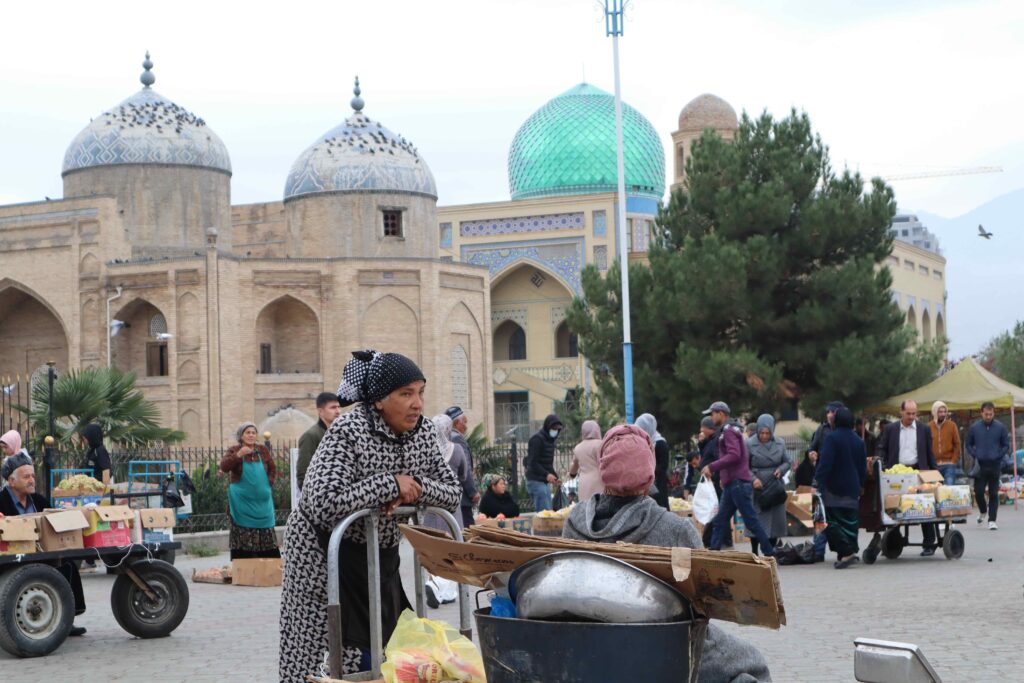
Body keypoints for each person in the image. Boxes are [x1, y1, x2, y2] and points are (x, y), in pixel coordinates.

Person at [278, 350, 461, 681]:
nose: (417, 404)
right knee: (319, 646)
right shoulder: (349, 430)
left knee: (384, 646)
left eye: (420, 392)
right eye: (406, 394)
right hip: (322, 553)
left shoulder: (423, 433)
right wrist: (388, 486)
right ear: (379, 400)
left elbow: (452, 492)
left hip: (378, 555)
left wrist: (413, 488)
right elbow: (323, 501)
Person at [563, 424, 772, 683]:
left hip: (590, 646)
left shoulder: (573, 524)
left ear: (604, 472)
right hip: (665, 648)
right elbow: (703, 605)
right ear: (649, 478)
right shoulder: (675, 530)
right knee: (755, 668)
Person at [1, 453, 88, 636]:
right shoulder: (2, 501)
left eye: (32, 476)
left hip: (41, 555)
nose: (32, 480)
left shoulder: (39, 500)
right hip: (11, 558)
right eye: (26, 477)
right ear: (11, 481)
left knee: (67, 566)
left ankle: (66, 619)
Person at [701, 402, 775, 556]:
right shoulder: (732, 430)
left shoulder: (728, 431)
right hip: (733, 483)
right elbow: (739, 456)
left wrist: (712, 467)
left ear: (721, 414)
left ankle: (769, 552)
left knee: (751, 520)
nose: (711, 417)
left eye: (713, 413)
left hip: (737, 484)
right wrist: (724, 477)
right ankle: (713, 553)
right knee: (721, 520)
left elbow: (734, 455)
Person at [878, 400, 939, 555]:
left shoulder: (923, 429)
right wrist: (883, 467)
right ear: (901, 412)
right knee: (897, 507)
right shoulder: (891, 429)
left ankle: (929, 543)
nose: (912, 417)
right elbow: (882, 449)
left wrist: (935, 474)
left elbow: (929, 452)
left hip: (918, 471)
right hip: (897, 472)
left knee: (924, 505)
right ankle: (893, 541)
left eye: (914, 413)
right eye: (909, 413)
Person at [422, 414, 470, 609]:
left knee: (432, 547)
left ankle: (440, 588)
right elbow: (464, 475)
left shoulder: (424, 451)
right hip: (451, 506)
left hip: (430, 507)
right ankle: (442, 586)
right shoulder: (456, 450)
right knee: (451, 546)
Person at [814, 407, 867, 569]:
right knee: (850, 521)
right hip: (852, 487)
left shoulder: (832, 438)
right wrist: (861, 485)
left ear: (836, 421)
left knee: (829, 522)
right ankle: (845, 554)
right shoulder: (858, 441)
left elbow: (825, 463)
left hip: (833, 488)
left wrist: (817, 482)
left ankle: (847, 551)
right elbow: (862, 466)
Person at [220, 422, 280, 560]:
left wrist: (268, 484)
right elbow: (224, 467)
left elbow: (272, 468)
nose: (251, 435)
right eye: (248, 432)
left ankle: (268, 566)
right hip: (242, 503)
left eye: (253, 432)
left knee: (266, 531)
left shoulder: (263, 450)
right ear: (241, 436)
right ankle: (244, 568)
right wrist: (238, 455)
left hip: (262, 503)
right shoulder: (234, 450)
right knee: (243, 531)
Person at [746, 414, 791, 555]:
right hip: (758, 486)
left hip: (775, 486)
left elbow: (787, 462)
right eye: (762, 433)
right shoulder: (749, 443)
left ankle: (770, 552)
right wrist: (753, 479)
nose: (764, 436)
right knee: (757, 520)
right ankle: (754, 551)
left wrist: (781, 470)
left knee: (775, 522)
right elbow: (744, 467)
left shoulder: (780, 443)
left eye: (767, 433)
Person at [966, 401, 1009, 530]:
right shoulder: (974, 428)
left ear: (993, 413)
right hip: (980, 466)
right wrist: (975, 454)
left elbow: (1006, 445)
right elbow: (968, 444)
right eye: (986, 414)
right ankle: (983, 511)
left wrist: (999, 455)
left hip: (995, 465)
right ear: (981, 413)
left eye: (990, 414)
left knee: (993, 493)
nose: (988, 416)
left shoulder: (1000, 427)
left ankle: (992, 520)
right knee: (978, 492)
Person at [697, 415, 730, 549]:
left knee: (717, 510)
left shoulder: (716, 440)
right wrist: (701, 443)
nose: (701, 430)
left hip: (716, 480)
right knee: (717, 510)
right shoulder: (710, 440)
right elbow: (705, 454)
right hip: (711, 481)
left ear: (709, 428)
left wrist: (716, 473)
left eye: (703, 427)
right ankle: (717, 540)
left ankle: (715, 540)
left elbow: (718, 458)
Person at [297, 392, 342, 490]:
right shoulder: (311, 435)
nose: (338, 411)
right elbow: (303, 472)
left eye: (339, 407)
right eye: (333, 407)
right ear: (320, 411)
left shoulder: (339, 433)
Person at [445, 406, 480, 527]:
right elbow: (465, 468)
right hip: (462, 496)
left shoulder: (445, 438)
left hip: (450, 495)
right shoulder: (457, 438)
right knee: (468, 530)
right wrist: (472, 492)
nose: (466, 425)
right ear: (456, 423)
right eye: (464, 421)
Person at [525, 414, 563, 512]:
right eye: (553, 429)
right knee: (545, 513)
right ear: (547, 427)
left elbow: (547, 464)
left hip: (543, 481)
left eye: (557, 429)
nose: (555, 431)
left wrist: (555, 477)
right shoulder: (537, 439)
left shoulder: (550, 441)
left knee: (548, 512)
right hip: (535, 480)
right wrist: (546, 475)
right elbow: (532, 462)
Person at [635, 413, 670, 509]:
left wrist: (647, 470)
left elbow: (663, 467)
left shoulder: (660, 444)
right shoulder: (646, 443)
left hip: (658, 484)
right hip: (647, 485)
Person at [568, 420, 603, 502]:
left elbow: (574, 468)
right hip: (599, 480)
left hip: (584, 482)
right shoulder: (601, 444)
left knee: (585, 508)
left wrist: (572, 474)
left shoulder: (578, 447)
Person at [930, 400, 961, 486]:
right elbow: (926, 447)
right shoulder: (928, 427)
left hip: (949, 464)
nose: (943, 414)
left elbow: (957, 444)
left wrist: (953, 460)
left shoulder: (952, 425)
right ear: (934, 412)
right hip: (934, 465)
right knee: (935, 490)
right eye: (940, 412)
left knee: (948, 490)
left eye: (945, 412)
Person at [806, 401, 844, 470]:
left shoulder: (847, 430)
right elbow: (812, 448)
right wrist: (811, 454)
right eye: (828, 412)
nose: (829, 415)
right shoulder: (821, 429)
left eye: (832, 412)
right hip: (824, 472)